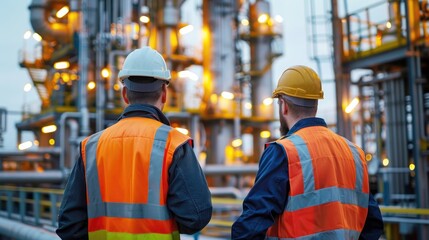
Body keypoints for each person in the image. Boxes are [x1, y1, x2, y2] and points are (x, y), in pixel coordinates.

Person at [56, 47, 212, 240]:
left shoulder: (91, 147)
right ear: (164, 93)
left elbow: (68, 225)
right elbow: (196, 217)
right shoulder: (175, 145)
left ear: (124, 94)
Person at [231, 65, 383, 239]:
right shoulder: (354, 153)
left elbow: (253, 223)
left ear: (283, 105)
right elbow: (373, 223)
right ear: (315, 104)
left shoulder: (284, 152)